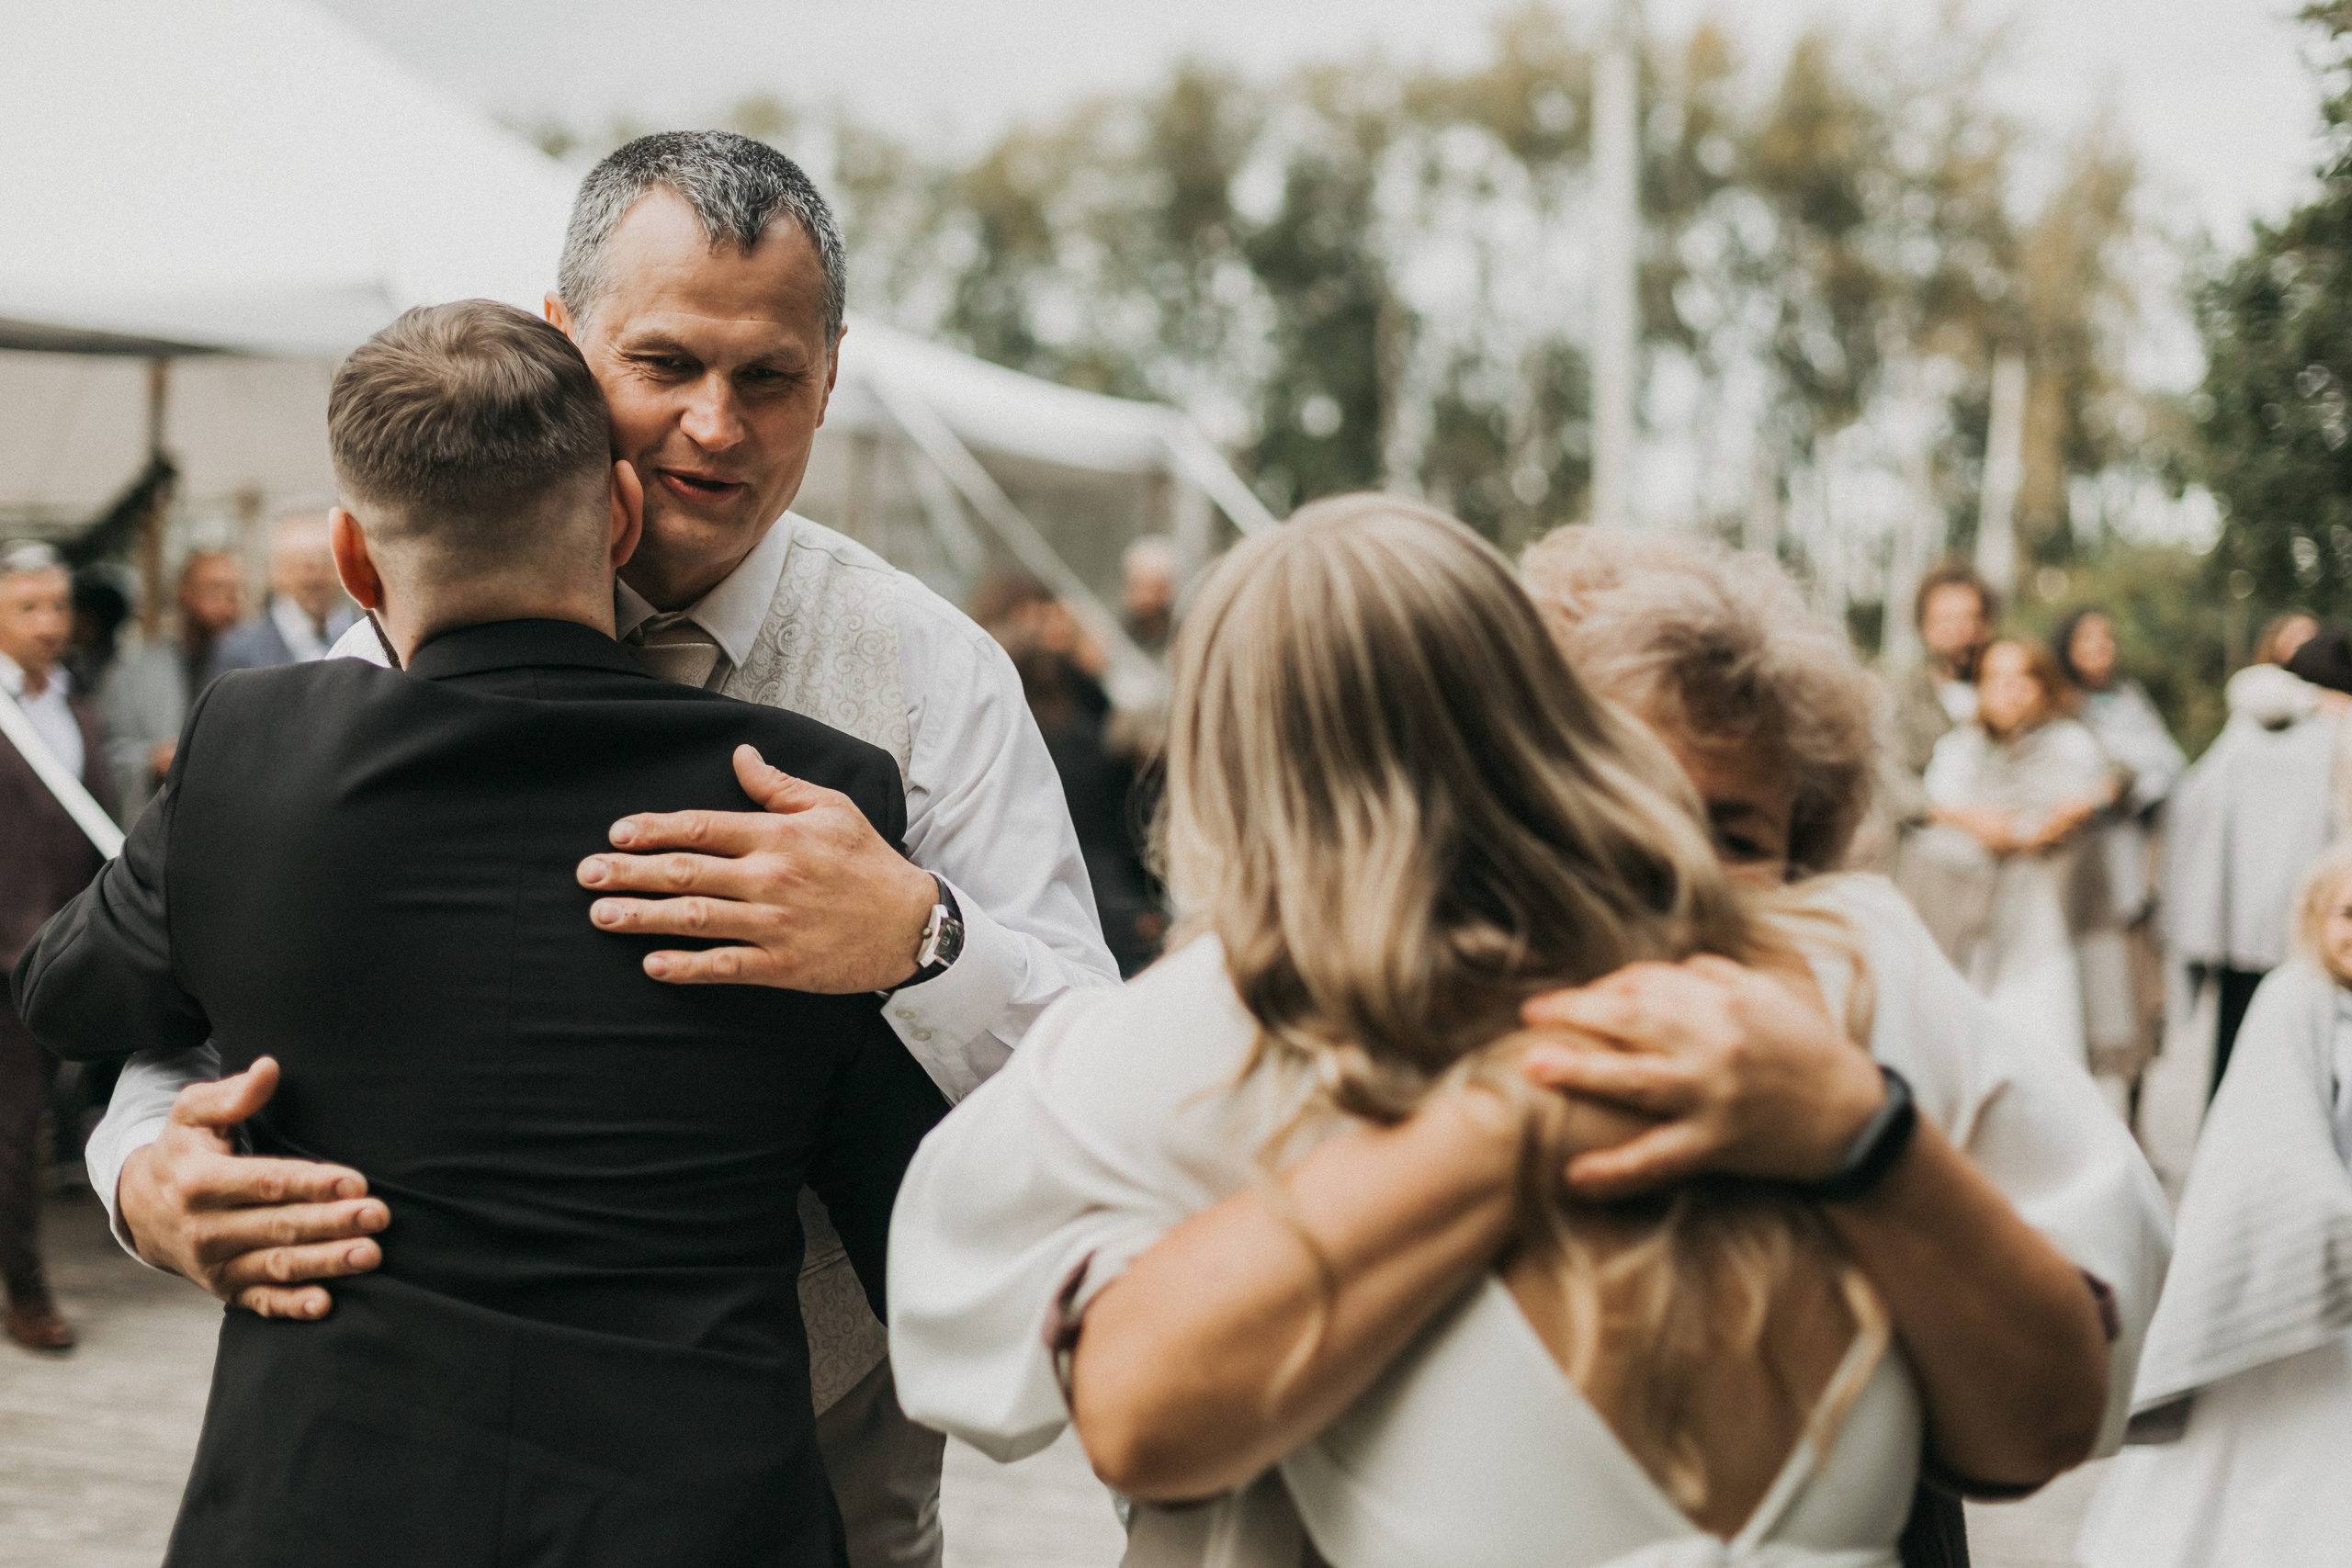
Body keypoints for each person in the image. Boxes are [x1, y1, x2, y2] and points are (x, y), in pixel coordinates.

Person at [86, 130, 1117, 1568]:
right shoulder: (376, 648)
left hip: (810, 1450)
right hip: (400, 1466)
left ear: (830, 374)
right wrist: (143, 1170)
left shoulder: (935, 679)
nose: (716, 425)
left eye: (768, 377)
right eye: (668, 364)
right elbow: (207, 991)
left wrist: (921, 936)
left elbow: (1099, 1081)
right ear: (565, 345)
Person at [888, 503, 2163, 1568]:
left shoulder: (1858, 968)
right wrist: (1514, 1115)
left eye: (1735, 833)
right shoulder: (1255, 1006)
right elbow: (1131, 1408)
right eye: (1602, 799)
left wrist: (1857, 1132)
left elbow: (2045, 1413)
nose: (1656, 874)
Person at [16, 300, 944, 1567]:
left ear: (352, 558)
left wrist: (154, 1138)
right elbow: (914, 1213)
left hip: (321, 1513)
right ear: (619, 516)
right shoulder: (809, 801)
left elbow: (67, 995)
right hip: (700, 1517)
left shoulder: (251, 753)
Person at [2076, 840, 2352, 1568]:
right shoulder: (2297, 1001)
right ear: (2316, 918)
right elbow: (2275, 1148)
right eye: (2350, 912)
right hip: (2306, 1291)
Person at [0, 539, 118, 1352]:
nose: (49, 623)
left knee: (22, 1127)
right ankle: (27, 1289)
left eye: (57, 606)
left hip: (43, 958)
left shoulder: (78, 708)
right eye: (27, 607)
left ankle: (22, 1285)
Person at [1904, 639, 2110, 1068]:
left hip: (2046, 924)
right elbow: (1938, 820)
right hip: (1966, 924)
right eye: (1996, 679)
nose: (2009, 690)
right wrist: (1973, 823)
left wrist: (2046, 823)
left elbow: (2082, 802)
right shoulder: (1959, 750)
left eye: (2022, 678)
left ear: (2043, 686)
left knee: (2038, 1042)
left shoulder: (2072, 747)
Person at [2165, 623, 2341, 1099]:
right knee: (2247, 1048)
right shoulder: (2266, 713)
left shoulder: (2314, 729)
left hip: (2286, 920)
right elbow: (2253, 687)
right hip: (2259, 923)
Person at [2050, 608, 2186, 1100]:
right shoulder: (2059, 706)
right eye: (2087, 638)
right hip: (2079, 867)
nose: (2100, 647)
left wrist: (2132, 786)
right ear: (2066, 647)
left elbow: (2168, 765)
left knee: (2139, 991)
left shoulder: (2130, 701)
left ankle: (2136, 1115)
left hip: (2132, 866)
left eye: (2106, 637)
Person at [100, 549, 244, 824]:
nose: (228, 600)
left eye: (234, 590)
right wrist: (151, 761)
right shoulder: (136, 672)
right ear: (184, 593)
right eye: (215, 587)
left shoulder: (257, 668)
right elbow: (105, 754)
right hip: (161, 828)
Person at [206, 507, 356, 676]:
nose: (315, 575)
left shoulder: (366, 637)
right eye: (300, 563)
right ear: (275, 573)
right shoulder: (240, 651)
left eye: (326, 561)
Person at [1888, 560, 1996, 784]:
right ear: (1923, 627)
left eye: (1972, 618)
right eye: (1946, 621)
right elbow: (1891, 780)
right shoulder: (1899, 695)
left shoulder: (2013, 682)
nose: (1961, 632)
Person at [1120, 534, 1180, 658]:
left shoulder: (1180, 636)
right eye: (1138, 586)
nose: (1145, 599)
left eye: (1153, 588)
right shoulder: (1117, 632)